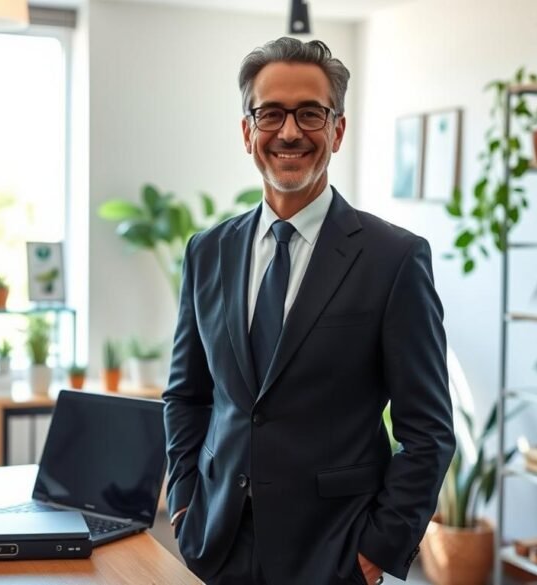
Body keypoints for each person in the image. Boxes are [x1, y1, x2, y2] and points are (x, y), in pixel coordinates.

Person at [163, 37, 455, 585]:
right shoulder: (208, 251)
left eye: (310, 113)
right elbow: (187, 394)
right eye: (270, 113)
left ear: (337, 130)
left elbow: (429, 431)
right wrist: (183, 502)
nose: (290, 131)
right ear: (247, 130)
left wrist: (378, 548)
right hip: (218, 542)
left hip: (334, 551)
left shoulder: (394, 258)